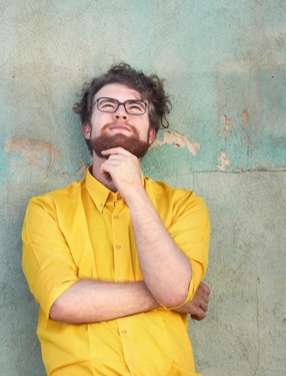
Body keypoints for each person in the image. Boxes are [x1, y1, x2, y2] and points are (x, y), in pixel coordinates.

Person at [21, 63, 211, 375]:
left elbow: (176, 289)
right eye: (108, 105)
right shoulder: (47, 210)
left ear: (151, 134)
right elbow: (63, 302)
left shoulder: (185, 206)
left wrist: (134, 191)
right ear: (87, 128)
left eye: (135, 107)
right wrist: (167, 296)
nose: (121, 113)